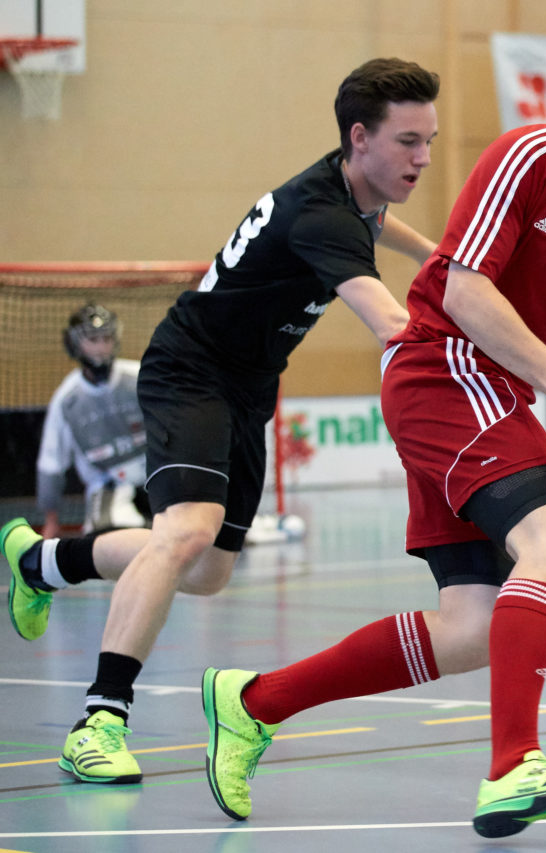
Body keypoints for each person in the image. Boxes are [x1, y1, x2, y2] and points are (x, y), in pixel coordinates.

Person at [200, 16, 546, 838]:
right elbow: (465, 290)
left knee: (470, 628)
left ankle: (254, 702)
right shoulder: (529, 157)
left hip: (491, 390)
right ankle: (515, 766)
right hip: (443, 367)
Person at [0, 57, 441, 785]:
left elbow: (379, 222)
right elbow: (392, 325)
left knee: (205, 570)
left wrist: (439, 256)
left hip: (248, 386)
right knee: (186, 531)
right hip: (191, 369)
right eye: (408, 142)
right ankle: (99, 721)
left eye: (428, 141)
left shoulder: (352, 190)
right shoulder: (323, 216)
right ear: (360, 138)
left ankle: (41, 563)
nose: (422, 158)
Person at [36, 304, 150, 539]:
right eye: (93, 340)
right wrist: (51, 520)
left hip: (156, 476)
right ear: (75, 343)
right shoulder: (67, 401)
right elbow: (51, 463)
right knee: (111, 538)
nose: (100, 348)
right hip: (109, 485)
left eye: (106, 339)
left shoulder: (140, 378)